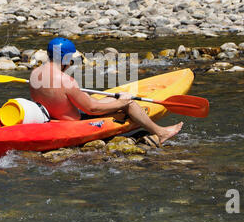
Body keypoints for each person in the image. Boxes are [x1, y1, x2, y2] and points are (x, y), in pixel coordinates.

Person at [29, 37, 183, 146]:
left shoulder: (34, 74)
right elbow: (92, 109)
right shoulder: (66, 80)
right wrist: (121, 102)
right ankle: (161, 133)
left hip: (52, 117)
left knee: (102, 98)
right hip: (74, 122)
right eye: (70, 60)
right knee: (128, 103)